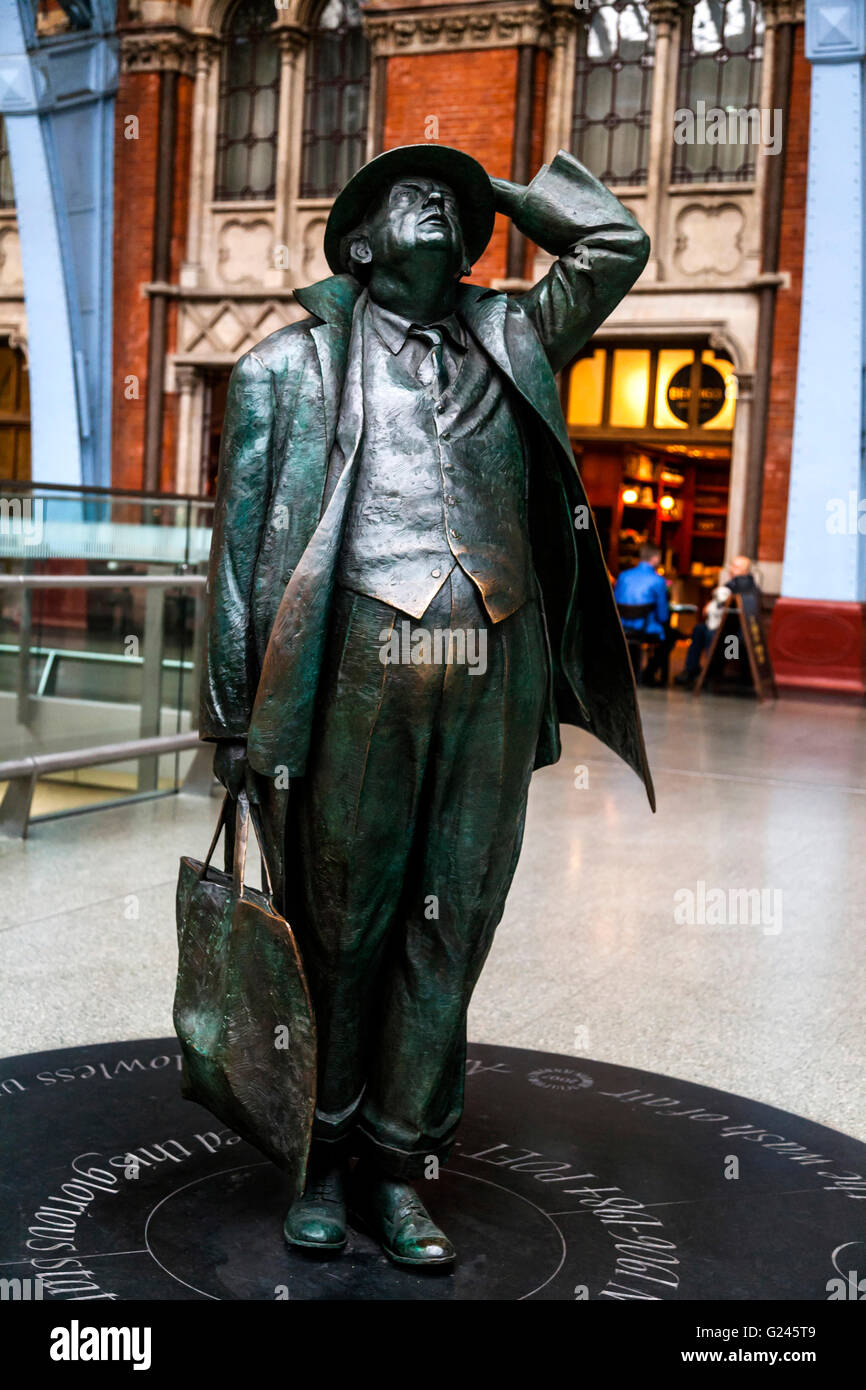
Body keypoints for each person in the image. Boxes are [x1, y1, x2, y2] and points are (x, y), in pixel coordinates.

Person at [202, 143, 653, 1268]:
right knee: (341, 933)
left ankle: (401, 1167)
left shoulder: (514, 337)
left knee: (452, 925)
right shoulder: (286, 369)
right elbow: (239, 551)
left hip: (490, 678)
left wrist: (499, 194)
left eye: (454, 206)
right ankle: (318, 1155)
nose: (438, 211)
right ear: (355, 249)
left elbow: (613, 244)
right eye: (412, 198)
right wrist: (229, 718)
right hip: (353, 671)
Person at [675, 554, 758, 687]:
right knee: (699, 629)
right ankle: (692, 670)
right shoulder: (737, 584)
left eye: (736, 567)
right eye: (732, 565)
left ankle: (709, 674)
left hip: (734, 639)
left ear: (745, 571)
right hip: (727, 631)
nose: (731, 569)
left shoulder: (741, 584)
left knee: (710, 633)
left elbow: (716, 609)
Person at [614, 543, 674, 686]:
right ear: (655, 558)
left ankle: (631, 674)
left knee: (633, 641)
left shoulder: (623, 576)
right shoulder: (658, 580)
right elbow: (663, 616)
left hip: (621, 627)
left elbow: (615, 603)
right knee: (670, 636)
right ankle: (649, 674)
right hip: (645, 628)